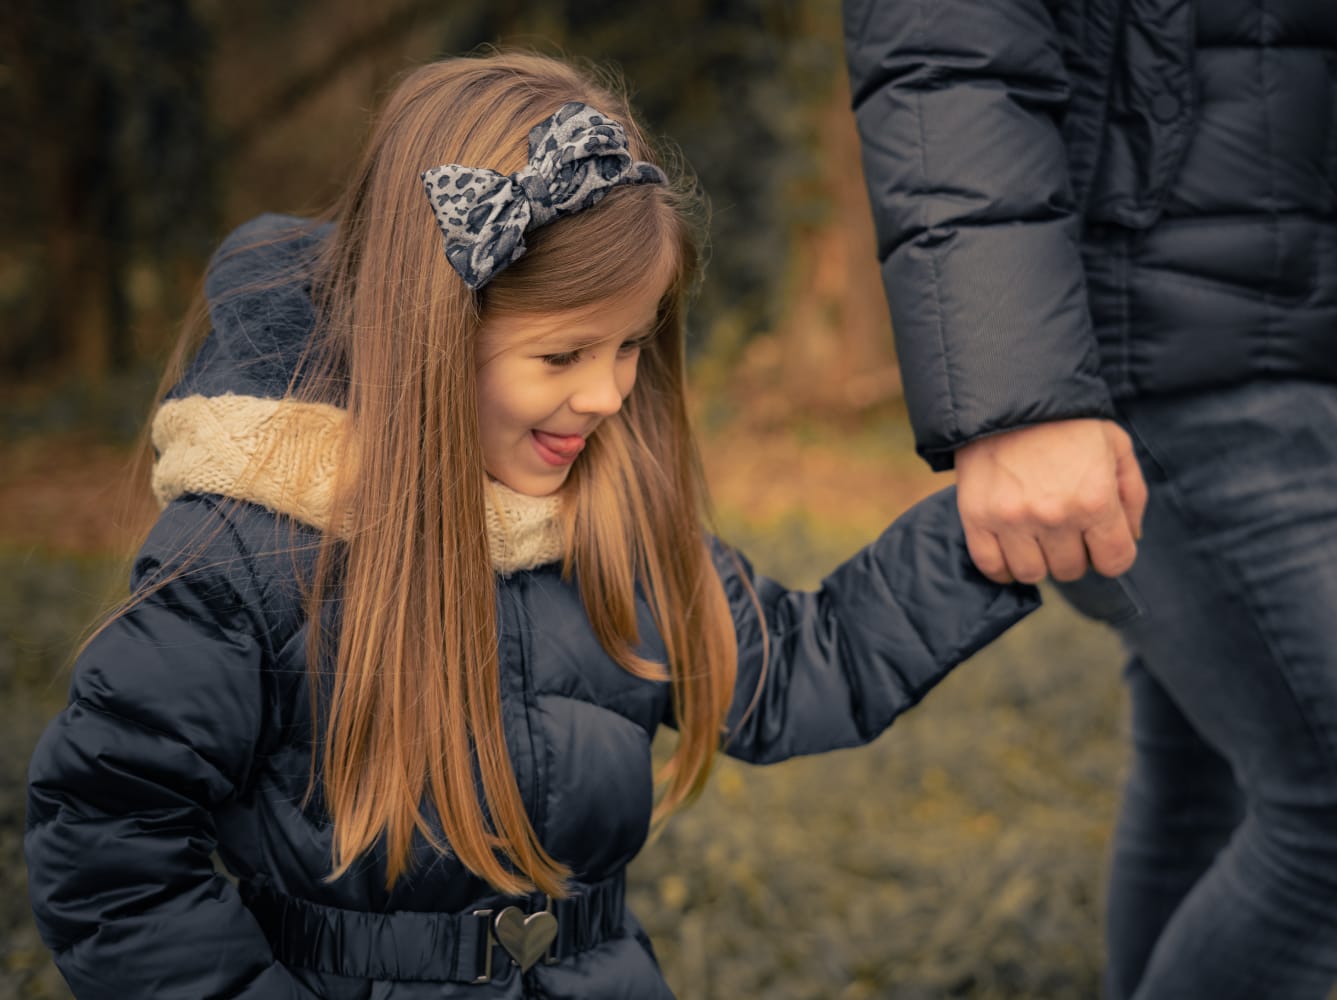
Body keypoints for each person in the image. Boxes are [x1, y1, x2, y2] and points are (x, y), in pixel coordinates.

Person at [24, 50, 1041, 1000]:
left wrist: (999, 524)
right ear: (430, 333)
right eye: (562, 356)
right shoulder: (252, 553)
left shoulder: (609, 519)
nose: (607, 395)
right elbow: (111, 852)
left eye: (630, 345)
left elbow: (803, 666)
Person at [843, 1, 1337, 998]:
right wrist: (1020, 393)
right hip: (1159, 363)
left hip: (1270, 342)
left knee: (1208, 782)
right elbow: (948, 49)